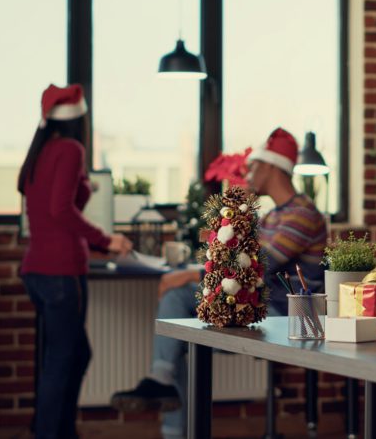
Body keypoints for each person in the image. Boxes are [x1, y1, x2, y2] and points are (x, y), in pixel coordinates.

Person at [110, 127, 327, 439]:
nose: (248, 173)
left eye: (253, 166)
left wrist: (190, 274)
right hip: (259, 306)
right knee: (180, 320)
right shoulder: (273, 216)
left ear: (271, 167)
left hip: (288, 316)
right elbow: (237, 260)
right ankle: (168, 406)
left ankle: (163, 391)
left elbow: (254, 265)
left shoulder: (302, 213)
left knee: (180, 296)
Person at [18, 84, 133, 439]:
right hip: (62, 273)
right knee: (62, 359)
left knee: (73, 355)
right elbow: (61, 210)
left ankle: (59, 430)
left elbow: (54, 207)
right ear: (79, 119)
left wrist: (84, 186)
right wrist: (105, 239)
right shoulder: (70, 149)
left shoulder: (42, 150)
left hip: (36, 271)